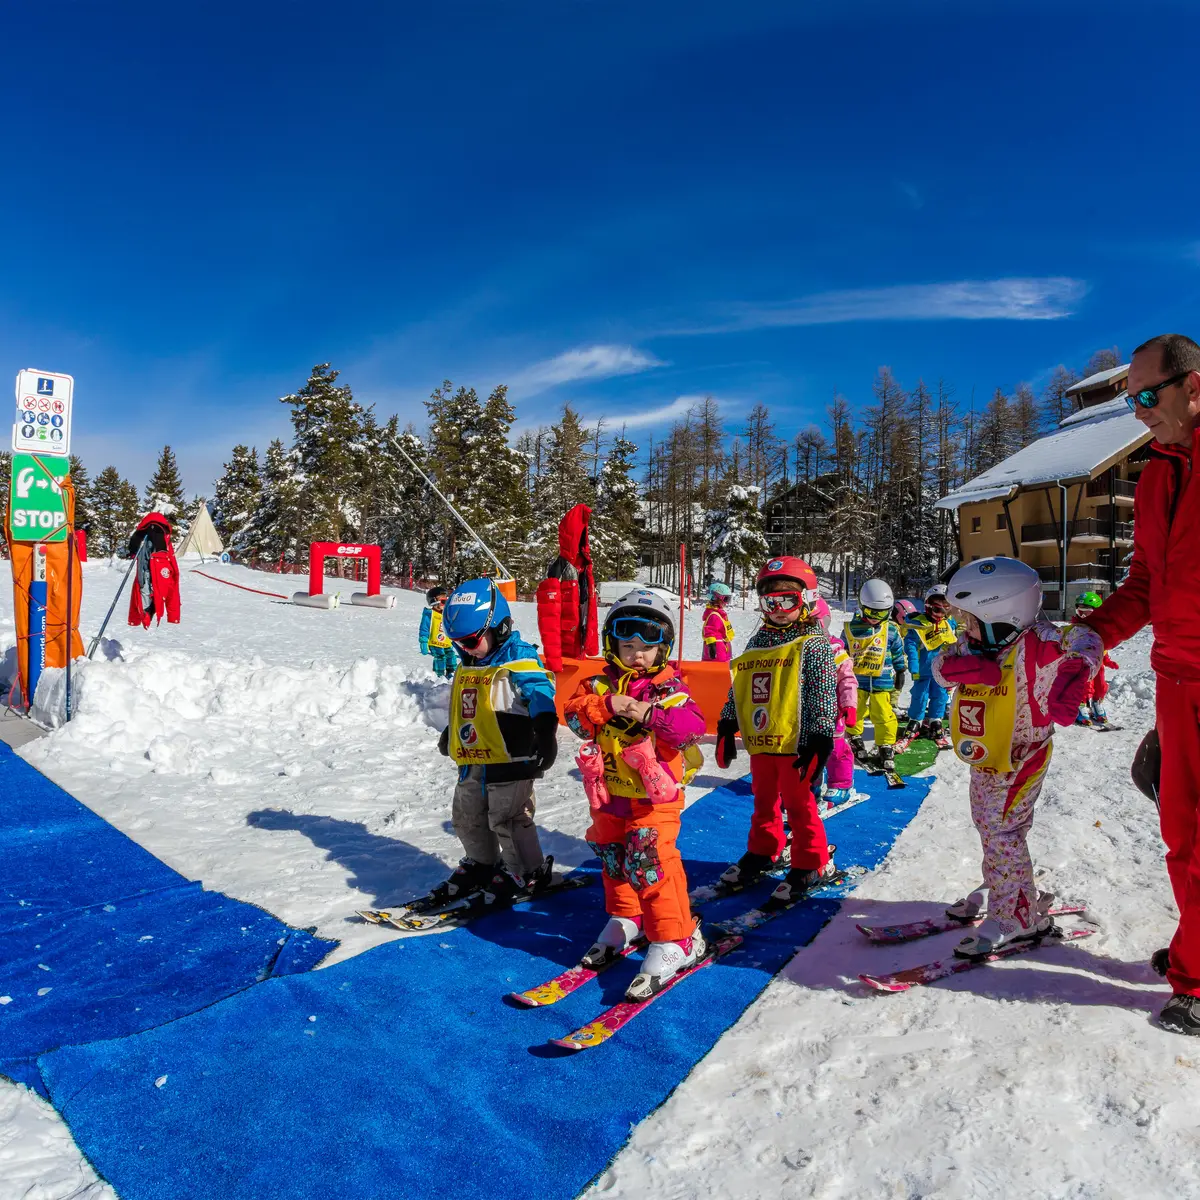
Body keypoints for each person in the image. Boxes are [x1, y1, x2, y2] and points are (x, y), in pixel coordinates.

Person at [1078, 333, 1200, 1033]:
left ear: (1192, 385)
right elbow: (1148, 582)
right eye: (1131, 401)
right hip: (1176, 678)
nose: (1138, 412)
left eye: (1147, 396)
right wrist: (1097, 634)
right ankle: (1195, 948)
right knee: (1180, 832)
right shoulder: (1156, 472)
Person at [933, 557, 1102, 958]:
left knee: (1002, 830)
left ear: (1002, 612)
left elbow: (1086, 639)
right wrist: (964, 668)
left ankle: (1014, 916)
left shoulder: (1041, 641)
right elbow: (940, 668)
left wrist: (1078, 670)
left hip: (1024, 754)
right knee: (990, 827)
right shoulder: (976, 643)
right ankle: (1012, 889)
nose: (964, 627)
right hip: (988, 754)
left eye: (970, 619)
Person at [564, 589, 707, 999]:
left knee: (651, 858)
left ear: (663, 649)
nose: (637, 655)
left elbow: (690, 728)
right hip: (610, 791)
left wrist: (647, 713)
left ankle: (677, 937)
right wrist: (608, 705)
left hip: (654, 797)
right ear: (613, 645)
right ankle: (627, 917)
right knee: (613, 853)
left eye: (647, 648)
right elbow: (573, 716)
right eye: (628, 646)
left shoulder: (669, 688)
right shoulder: (597, 684)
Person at [713, 556, 839, 901]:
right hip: (763, 738)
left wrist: (821, 736)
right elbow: (740, 686)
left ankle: (811, 860)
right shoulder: (757, 643)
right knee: (763, 799)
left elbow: (823, 690)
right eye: (771, 602)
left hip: (798, 742)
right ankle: (764, 849)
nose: (779, 609)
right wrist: (727, 724)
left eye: (789, 600)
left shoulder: (813, 643)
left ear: (808, 600)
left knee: (799, 804)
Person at [434, 578, 559, 903]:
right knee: (466, 816)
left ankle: (526, 871)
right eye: (457, 643)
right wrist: (451, 731)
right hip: (473, 758)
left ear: (500, 627)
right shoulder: (471, 661)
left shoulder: (518, 657)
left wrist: (545, 731)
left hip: (510, 758)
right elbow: (468, 703)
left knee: (508, 818)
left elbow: (541, 693)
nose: (464, 649)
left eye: (471, 640)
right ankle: (482, 863)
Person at [844, 578, 907, 772]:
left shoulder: (890, 630)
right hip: (858, 680)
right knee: (857, 711)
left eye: (881, 614)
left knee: (883, 713)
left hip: (882, 680)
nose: (875, 618)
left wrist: (900, 669)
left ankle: (885, 744)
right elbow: (843, 652)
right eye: (871, 612)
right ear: (862, 607)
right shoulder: (852, 628)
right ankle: (854, 736)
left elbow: (898, 650)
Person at [812, 596, 858, 808]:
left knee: (836, 749)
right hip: (804, 713)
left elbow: (847, 679)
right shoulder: (795, 648)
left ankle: (841, 784)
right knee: (807, 751)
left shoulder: (835, 650)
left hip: (831, 711)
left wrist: (849, 704)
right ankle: (809, 785)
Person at [903, 584, 958, 748]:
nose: (941, 615)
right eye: (937, 610)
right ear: (928, 607)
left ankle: (936, 720)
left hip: (941, 671)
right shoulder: (918, 625)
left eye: (945, 611)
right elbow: (910, 644)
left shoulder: (948, 624)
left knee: (940, 696)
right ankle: (916, 720)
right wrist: (913, 664)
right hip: (924, 669)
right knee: (920, 696)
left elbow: (954, 645)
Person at [1071, 591, 1117, 726]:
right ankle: (1081, 707)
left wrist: (1108, 660)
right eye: (1080, 612)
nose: (1084, 616)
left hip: (1099, 664)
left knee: (1101, 686)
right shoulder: (1076, 628)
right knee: (1084, 686)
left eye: (1087, 612)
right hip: (1082, 664)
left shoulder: (1102, 629)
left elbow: (1103, 649)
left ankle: (1097, 704)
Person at [419, 585, 456, 680]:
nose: (445, 602)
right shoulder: (430, 614)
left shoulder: (447, 615)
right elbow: (424, 628)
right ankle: (439, 675)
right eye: (443, 601)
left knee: (451, 656)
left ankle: (451, 673)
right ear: (434, 601)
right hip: (434, 642)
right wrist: (424, 641)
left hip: (447, 643)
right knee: (440, 657)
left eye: (446, 600)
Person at [701, 581, 735, 661]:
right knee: (717, 671)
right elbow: (709, 631)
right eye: (725, 599)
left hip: (722, 648)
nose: (726, 603)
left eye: (728, 599)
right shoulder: (714, 616)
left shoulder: (718, 614)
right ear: (715, 598)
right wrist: (712, 646)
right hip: (717, 651)